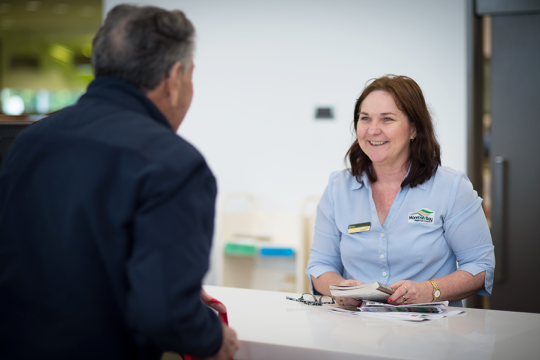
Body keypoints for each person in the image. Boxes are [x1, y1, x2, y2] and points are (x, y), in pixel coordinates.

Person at [0, 5, 238, 360]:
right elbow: (165, 314)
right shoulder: (175, 163)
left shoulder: (30, 142)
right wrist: (211, 338)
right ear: (174, 79)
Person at [306, 75, 495, 307]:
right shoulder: (338, 188)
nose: (373, 130)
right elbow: (320, 265)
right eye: (365, 118)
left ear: (414, 129)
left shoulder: (451, 187)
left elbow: (480, 266)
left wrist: (430, 290)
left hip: (432, 335)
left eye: (387, 119)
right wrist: (341, 289)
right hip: (356, 332)